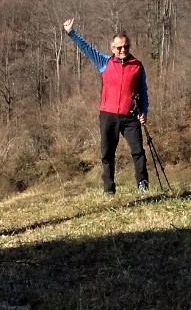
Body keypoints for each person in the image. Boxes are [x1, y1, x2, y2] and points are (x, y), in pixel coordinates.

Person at [63, 17, 150, 195]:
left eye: (126, 46)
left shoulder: (138, 66)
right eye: (119, 47)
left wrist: (144, 112)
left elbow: (143, 91)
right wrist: (71, 33)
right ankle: (108, 189)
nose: (123, 50)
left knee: (138, 151)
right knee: (107, 154)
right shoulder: (105, 62)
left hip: (130, 115)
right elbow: (86, 49)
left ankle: (142, 185)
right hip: (108, 115)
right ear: (112, 49)